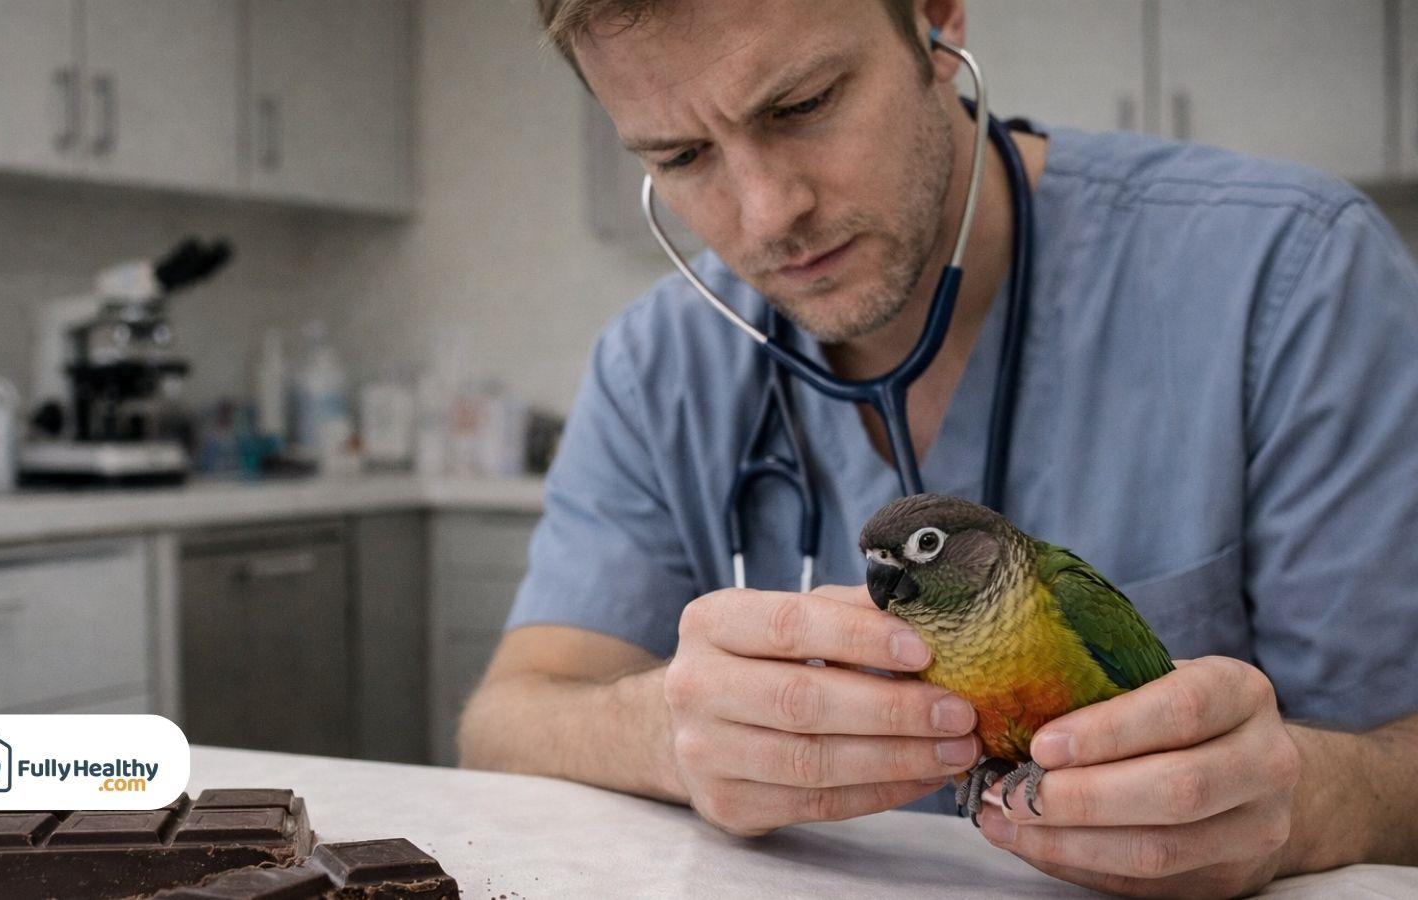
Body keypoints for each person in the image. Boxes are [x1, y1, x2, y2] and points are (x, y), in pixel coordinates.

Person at [459, 0, 1418, 895]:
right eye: (679, 155)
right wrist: (661, 733)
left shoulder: (1291, 278)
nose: (764, 214)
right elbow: (504, 723)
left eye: (802, 104)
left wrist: (1303, 799)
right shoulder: (656, 364)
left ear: (937, 16)